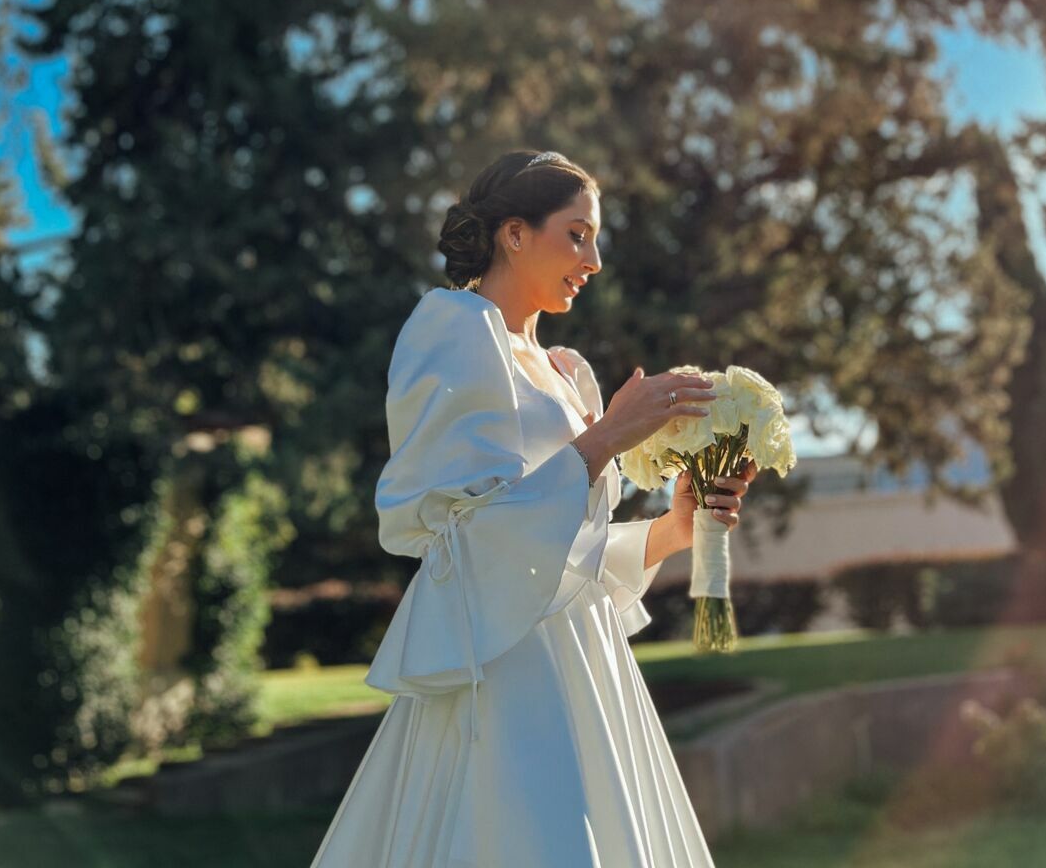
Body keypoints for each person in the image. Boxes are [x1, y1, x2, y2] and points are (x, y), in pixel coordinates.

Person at [307, 149, 756, 867]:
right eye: (577, 233)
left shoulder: (564, 370)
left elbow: (565, 552)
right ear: (513, 234)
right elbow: (468, 538)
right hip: (506, 674)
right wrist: (609, 435)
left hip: (588, 671)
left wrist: (677, 527)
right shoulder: (453, 327)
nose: (595, 258)